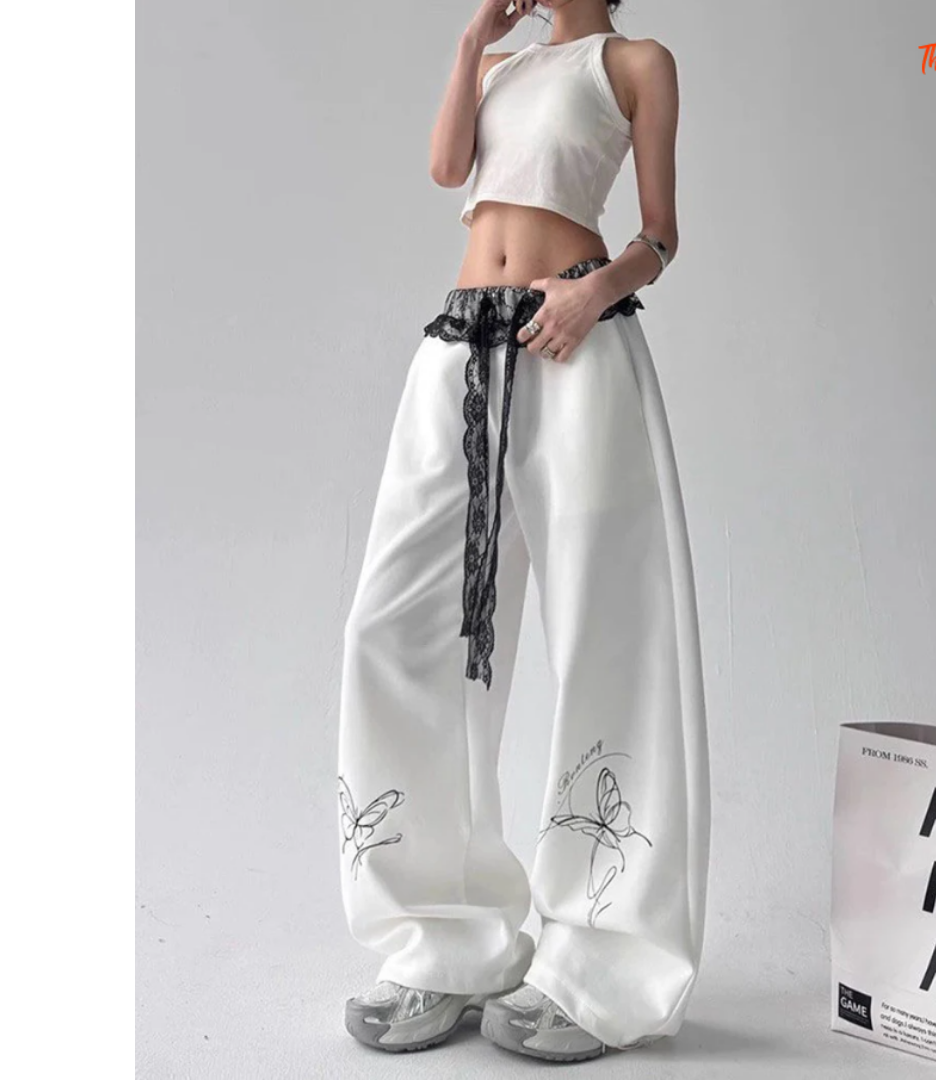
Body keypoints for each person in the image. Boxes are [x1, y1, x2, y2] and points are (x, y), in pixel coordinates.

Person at [337, 0, 711, 1062]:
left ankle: (600, 962)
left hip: (575, 344)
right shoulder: (497, 66)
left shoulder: (635, 61)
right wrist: (470, 43)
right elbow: (446, 168)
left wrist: (596, 292)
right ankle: (442, 941)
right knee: (395, 629)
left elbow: (661, 233)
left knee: (608, 629)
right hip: (459, 347)